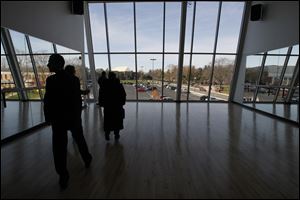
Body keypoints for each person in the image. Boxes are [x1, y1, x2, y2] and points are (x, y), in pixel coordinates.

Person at [43, 54, 92, 189]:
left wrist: (48, 117)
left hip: (58, 120)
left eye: (50, 62)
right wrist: (77, 116)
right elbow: (76, 99)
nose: (48, 65)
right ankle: (87, 158)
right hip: (72, 118)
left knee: (59, 148)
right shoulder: (74, 79)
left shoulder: (51, 80)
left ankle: (63, 175)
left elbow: (48, 101)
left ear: (57, 64)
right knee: (79, 139)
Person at [103, 72, 126, 141]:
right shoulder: (119, 85)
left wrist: (103, 104)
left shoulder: (105, 85)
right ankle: (116, 134)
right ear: (115, 77)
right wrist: (122, 103)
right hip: (117, 106)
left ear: (109, 76)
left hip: (108, 106)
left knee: (108, 120)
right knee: (117, 120)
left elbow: (102, 95)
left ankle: (107, 133)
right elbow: (123, 95)